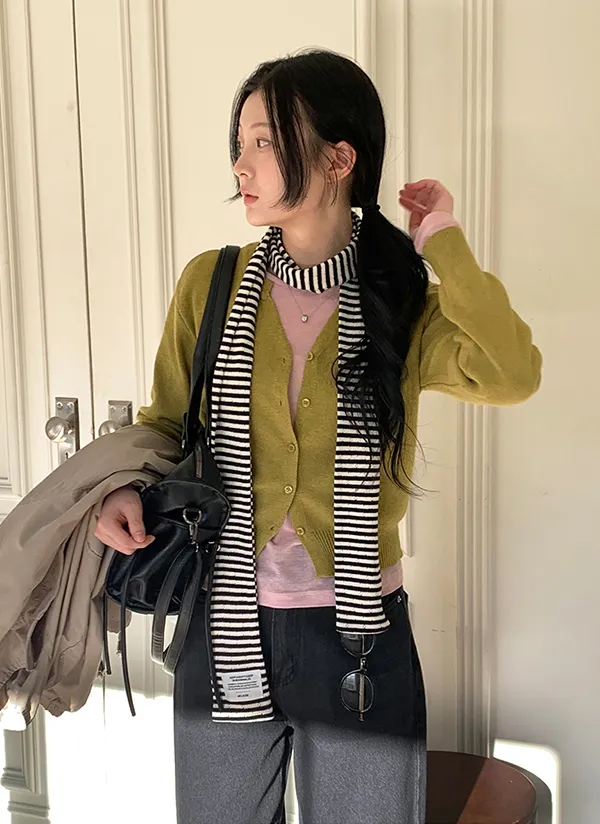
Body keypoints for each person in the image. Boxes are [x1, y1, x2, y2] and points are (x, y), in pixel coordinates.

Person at [95, 49, 542, 824]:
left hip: (360, 636)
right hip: (222, 623)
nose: (241, 163)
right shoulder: (210, 284)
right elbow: (163, 423)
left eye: (265, 141)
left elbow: (512, 372)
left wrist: (443, 242)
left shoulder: (400, 300)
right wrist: (122, 491)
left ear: (339, 159)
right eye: (239, 143)